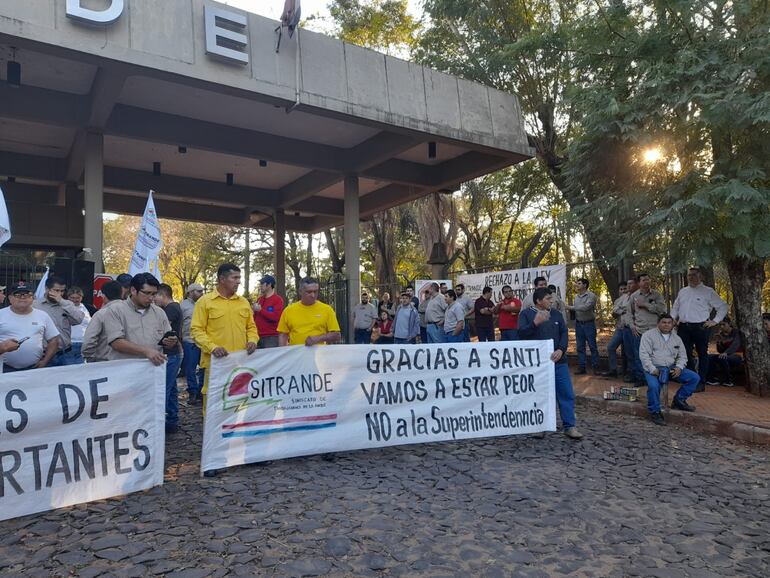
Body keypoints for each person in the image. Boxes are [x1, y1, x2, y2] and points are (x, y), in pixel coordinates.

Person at [519, 287, 584, 440]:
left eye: (552, 298)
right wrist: (535, 323)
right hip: (537, 365)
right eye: (548, 298)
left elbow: (563, 333)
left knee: (566, 393)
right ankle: (539, 426)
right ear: (538, 301)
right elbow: (521, 334)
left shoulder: (556, 314)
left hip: (558, 362)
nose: (552, 301)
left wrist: (561, 349)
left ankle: (570, 426)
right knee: (539, 395)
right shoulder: (526, 314)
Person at [191, 263, 259, 405]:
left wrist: (253, 340)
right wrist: (213, 347)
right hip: (216, 364)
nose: (238, 281)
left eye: (239, 278)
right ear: (222, 279)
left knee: (240, 404)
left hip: (240, 364)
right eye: (234, 278)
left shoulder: (243, 302)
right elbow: (196, 331)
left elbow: (251, 327)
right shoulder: (204, 302)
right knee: (214, 405)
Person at [670, 267, 728, 388]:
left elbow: (722, 306)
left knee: (702, 354)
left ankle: (701, 382)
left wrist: (715, 321)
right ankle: (692, 379)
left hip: (701, 327)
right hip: (684, 326)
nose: (691, 277)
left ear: (700, 276)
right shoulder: (683, 291)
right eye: (689, 275)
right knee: (685, 353)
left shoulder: (708, 291)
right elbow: (675, 307)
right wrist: (671, 320)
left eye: (694, 275)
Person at [102, 273, 177, 366]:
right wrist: (146, 351)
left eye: (154, 294)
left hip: (152, 370)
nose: (151, 298)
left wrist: (170, 342)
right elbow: (116, 343)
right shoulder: (115, 310)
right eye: (146, 293)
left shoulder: (159, 313)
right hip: (124, 371)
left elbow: (167, 337)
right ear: (133, 290)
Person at [639, 314, 700, 426]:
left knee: (694, 378)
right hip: (653, 368)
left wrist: (679, 367)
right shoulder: (648, 335)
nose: (666, 325)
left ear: (672, 324)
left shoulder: (677, 338)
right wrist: (653, 369)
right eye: (664, 322)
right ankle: (655, 412)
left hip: (671, 368)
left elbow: (683, 356)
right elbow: (643, 355)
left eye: (669, 322)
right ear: (658, 323)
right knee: (654, 386)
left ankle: (679, 400)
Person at [0, 282, 60, 372]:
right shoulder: (1, 314)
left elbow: (54, 340)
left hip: (34, 370)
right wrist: (3, 347)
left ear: (33, 298)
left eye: (27, 294)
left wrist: (45, 361)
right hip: (4, 369)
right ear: (10, 298)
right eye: (17, 294)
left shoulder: (42, 315)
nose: (23, 297)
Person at [33, 274, 85, 367]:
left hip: (66, 354)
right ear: (47, 289)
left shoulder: (66, 304)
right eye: (56, 290)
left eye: (62, 291)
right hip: (45, 355)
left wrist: (62, 301)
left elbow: (79, 319)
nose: (59, 294)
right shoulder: (35, 306)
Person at [154, 284, 184, 434]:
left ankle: (159, 423)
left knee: (163, 389)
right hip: (173, 353)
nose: (153, 299)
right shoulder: (173, 307)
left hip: (170, 354)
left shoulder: (170, 309)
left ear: (163, 295)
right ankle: (172, 420)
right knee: (171, 388)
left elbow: (161, 328)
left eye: (155, 295)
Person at [277, 276, 341, 346]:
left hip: (319, 355)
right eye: (309, 292)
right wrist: (284, 353)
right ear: (300, 292)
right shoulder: (288, 311)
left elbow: (337, 335)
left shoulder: (327, 310)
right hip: (296, 355)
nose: (313, 295)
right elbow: (283, 335)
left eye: (315, 291)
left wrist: (318, 338)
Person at [629, 273, 667, 384]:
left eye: (648, 279)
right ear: (639, 283)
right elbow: (629, 313)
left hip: (654, 331)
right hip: (639, 331)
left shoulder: (657, 295)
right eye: (643, 280)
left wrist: (646, 305)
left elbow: (661, 310)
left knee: (654, 355)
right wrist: (632, 327)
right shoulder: (634, 296)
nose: (646, 282)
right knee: (639, 356)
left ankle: (655, 377)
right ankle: (641, 378)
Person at [82, 280, 123, 363]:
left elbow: (89, 341)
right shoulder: (132, 312)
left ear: (103, 296)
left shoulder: (101, 314)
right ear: (122, 294)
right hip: (128, 363)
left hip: (104, 363)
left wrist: (90, 358)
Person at [566, 278, 599, 375]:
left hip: (589, 324)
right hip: (579, 324)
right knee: (580, 347)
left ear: (585, 285)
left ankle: (595, 367)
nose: (577, 285)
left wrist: (570, 307)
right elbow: (576, 311)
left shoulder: (591, 295)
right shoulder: (576, 297)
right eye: (577, 283)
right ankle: (582, 368)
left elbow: (586, 307)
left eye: (579, 283)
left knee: (592, 346)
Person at [180, 282, 205, 404]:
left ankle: (202, 391)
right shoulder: (183, 306)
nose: (201, 293)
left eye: (201, 291)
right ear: (190, 292)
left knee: (203, 367)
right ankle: (193, 392)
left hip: (203, 341)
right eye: (198, 291)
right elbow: (179, 324)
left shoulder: (204, 303)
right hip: (189, 341)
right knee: (190, 368)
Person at [705, 318, 743, 387]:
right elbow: (720, 351)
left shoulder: (736, 332)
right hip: (727, 355)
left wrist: (726, 352)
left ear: (729, 324)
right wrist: (719, 342)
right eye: (720, 325)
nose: (722, 326)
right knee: (710, 356)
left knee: (722, 358)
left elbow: (735, 345)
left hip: (738, 355)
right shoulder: (721, 334)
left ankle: (729, 380)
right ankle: (711, 379)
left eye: (724, 324)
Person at [601, 282, 628, 378]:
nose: (623, 291)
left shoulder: (631, 298)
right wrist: (621, 310)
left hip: (629, 329)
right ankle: (613, 369)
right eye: (621, 289)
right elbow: (614, 313)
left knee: (627, 352)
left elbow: (627, 310)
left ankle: (627, 372)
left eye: (625, 288)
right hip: (620, 328)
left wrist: (620, 310)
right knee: (611, 347)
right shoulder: (617, 301)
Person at [252, 274, 284, 349]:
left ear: (269, 284)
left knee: (271, 359)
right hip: (257, 336)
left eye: (262, 283)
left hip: (271, 337)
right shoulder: (260, 299)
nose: (260, 286)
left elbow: (275, 317)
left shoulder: (278, 300)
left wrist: (260, 310)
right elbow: (255, 317)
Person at [620, 277, 640, 383]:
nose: (628, 286)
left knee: (637, 353)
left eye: (631, 283)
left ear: (637, 284)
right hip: (626, 328)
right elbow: (617, 308)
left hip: (636, 329)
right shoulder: (625, 297)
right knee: (629, 353)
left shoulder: (638, 296)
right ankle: (631, 373)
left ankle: (639, 375)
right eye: (627, 284)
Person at [66, 286, 91, 365]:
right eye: (72, 297)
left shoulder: (87, 308)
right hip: (70, 344)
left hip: (84, 344)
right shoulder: (64, 308)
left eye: (78, 297)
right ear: (68, 297)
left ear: (82, 297)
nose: (75, 300)